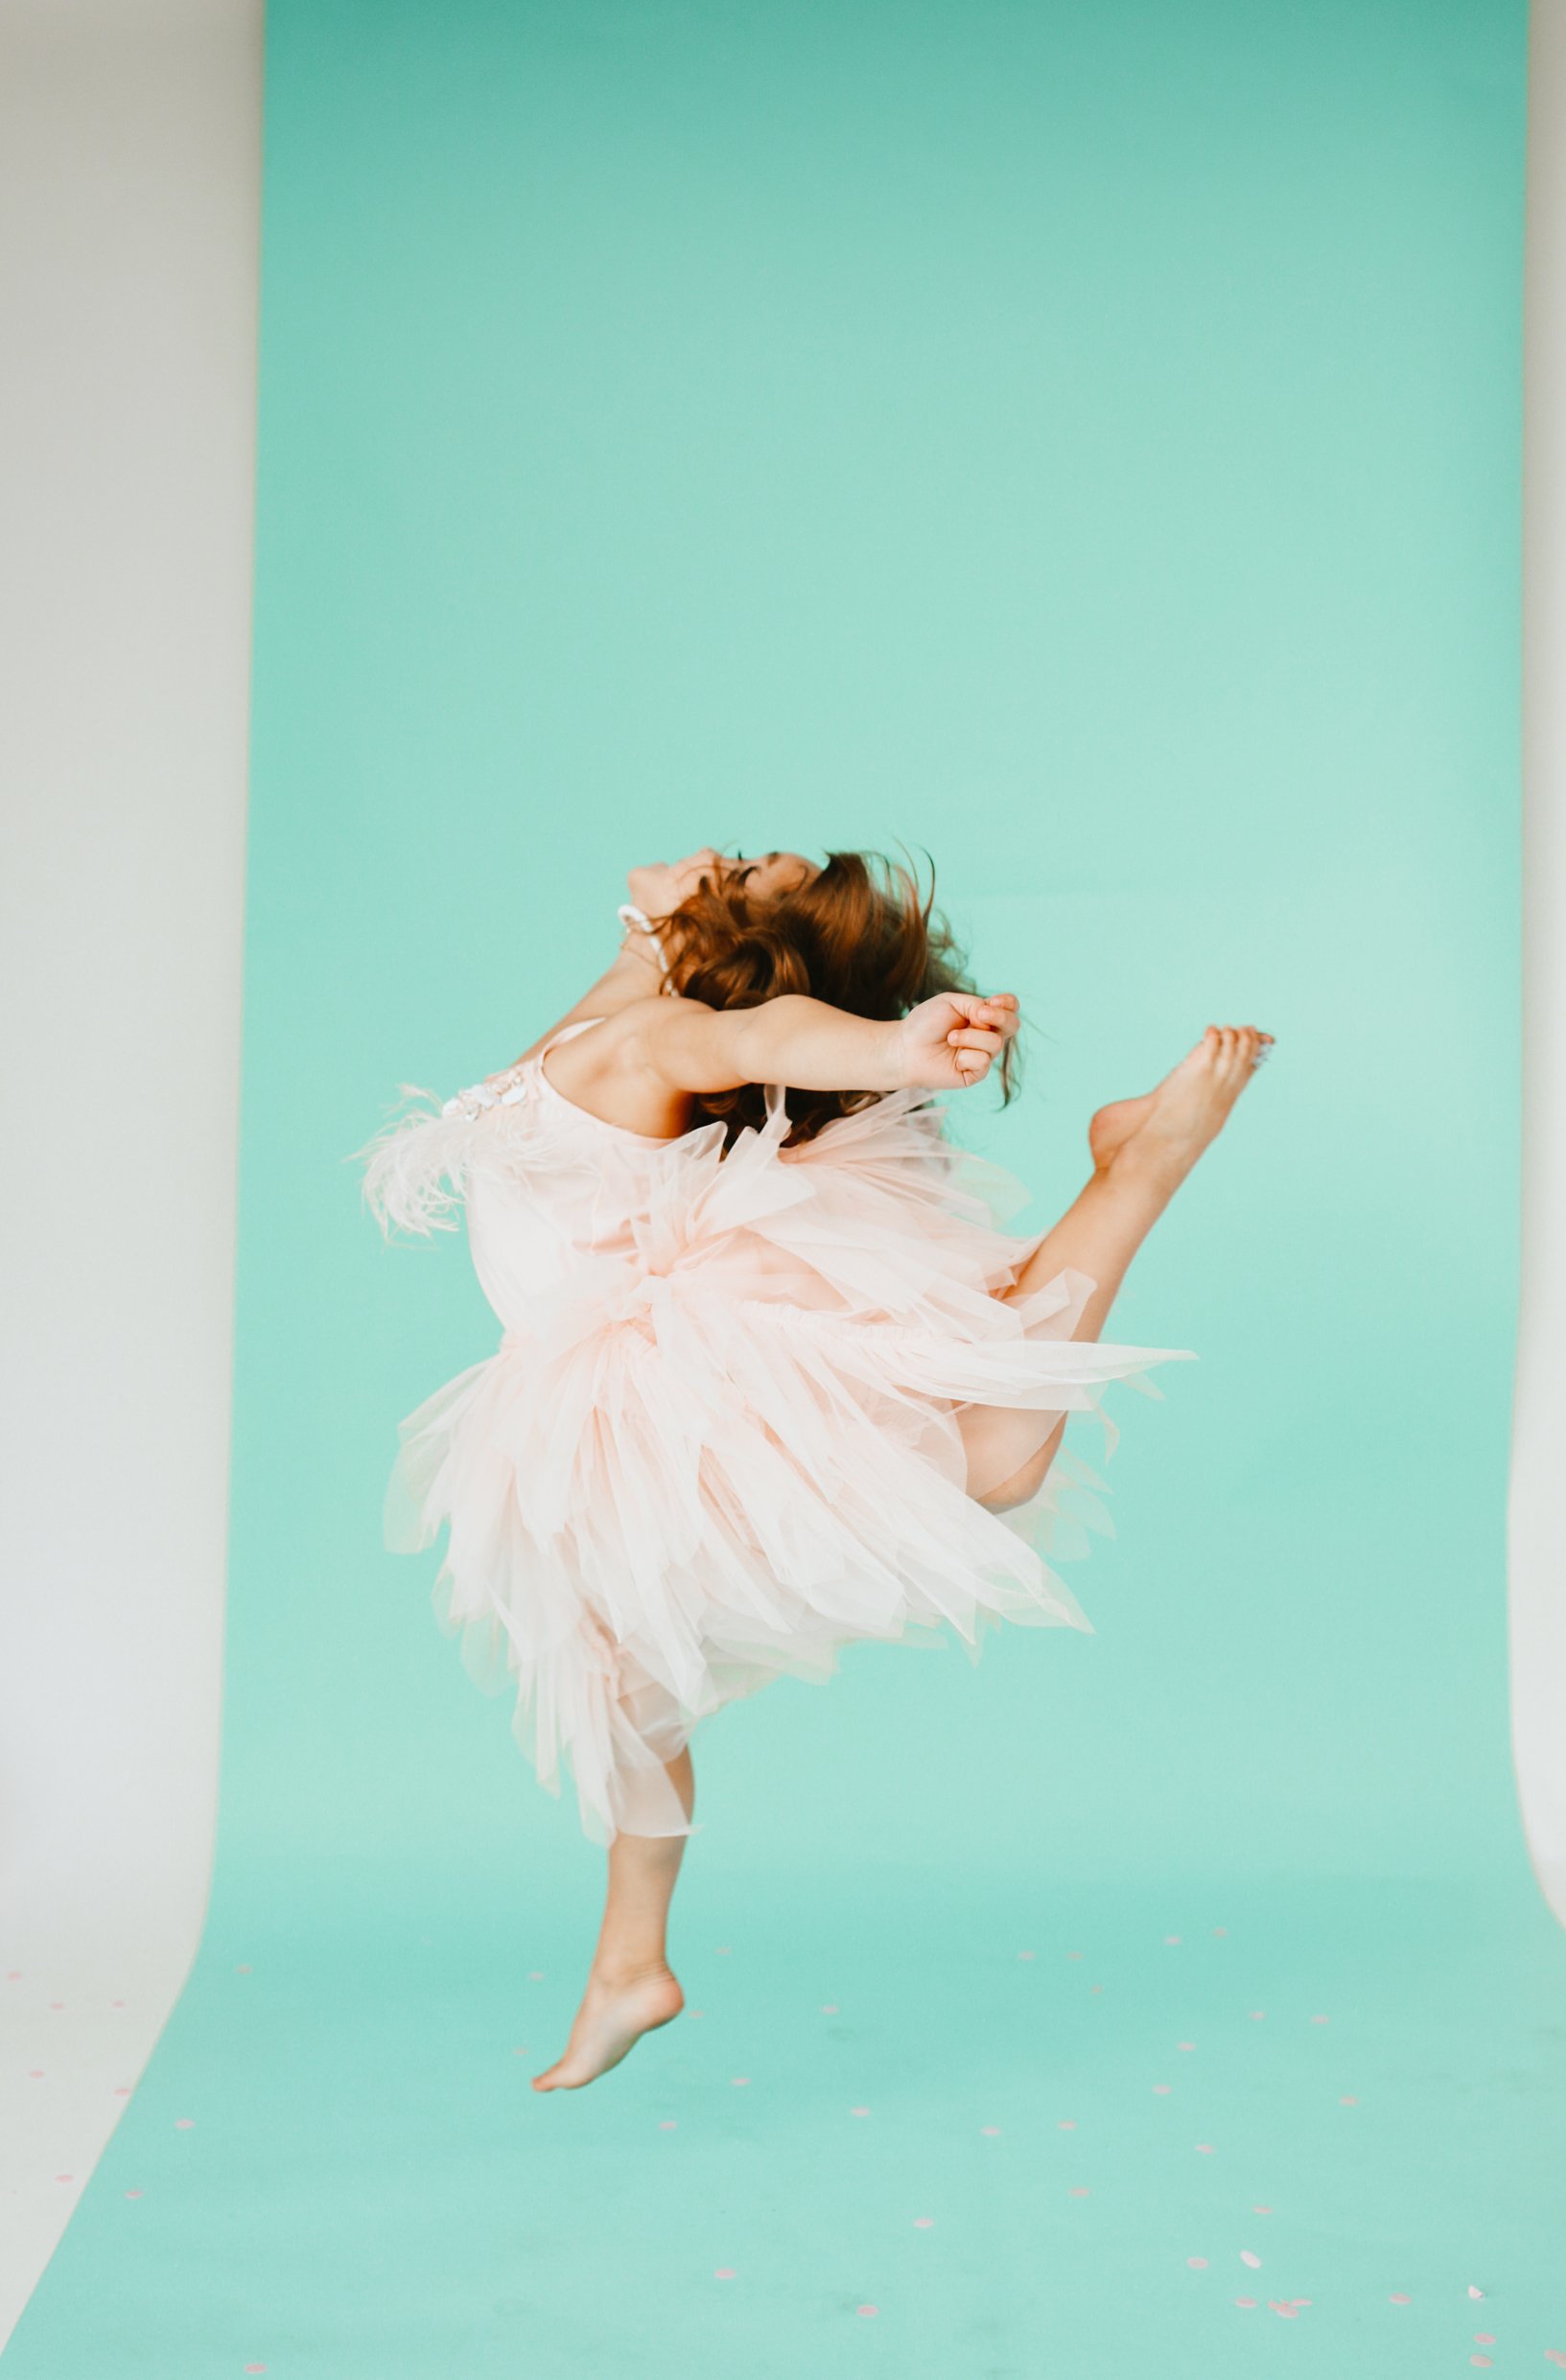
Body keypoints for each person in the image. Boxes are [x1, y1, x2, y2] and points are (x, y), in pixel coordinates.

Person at [360, 847, 1272, 2090]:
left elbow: (764, 1032)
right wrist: (653, 916)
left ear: (724, 953)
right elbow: (681, 984)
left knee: (995, 1461)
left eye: (742, 864)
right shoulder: (618, 1017)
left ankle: (1137, 1171)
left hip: (654, 1363)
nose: (725, 849)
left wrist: (894, 1054)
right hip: (599, 1367)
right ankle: (631, 1963)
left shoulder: (655, 1043)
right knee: (620, 1677)